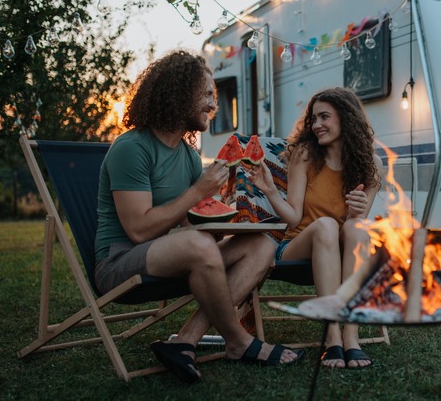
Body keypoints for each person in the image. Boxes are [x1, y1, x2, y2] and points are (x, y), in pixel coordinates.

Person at [93, 50, 304, 384]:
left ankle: (186, 340)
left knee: (261, 245)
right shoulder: (132, 148)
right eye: (206, 94)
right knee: (198, 245)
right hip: (119, 262)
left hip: (175, 255)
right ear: (178, 94)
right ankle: (238, 341)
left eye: (214, 96)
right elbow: (138, 230)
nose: (213, 104)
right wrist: (199, 191)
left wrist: (229, 217)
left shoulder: (189, 157)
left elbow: (191, 224)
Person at [249, 87, 382, 369]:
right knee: (326, 225)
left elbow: (354, 227)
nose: (316, 125)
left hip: (340, 250)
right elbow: (293, 218)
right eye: (313, 119)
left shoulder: (372, 165)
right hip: (297, 245)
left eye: (324, 117)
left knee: (358, 228)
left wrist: (357, 210)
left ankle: (351, 336)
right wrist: (270, 191)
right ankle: (332, 336)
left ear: (346, 118)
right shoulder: (305, 155)